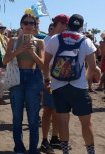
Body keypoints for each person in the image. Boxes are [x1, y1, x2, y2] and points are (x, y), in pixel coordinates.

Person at [43, 14, 100, 154]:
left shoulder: (55, 39)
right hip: (79, 87)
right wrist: (84, 82)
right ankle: (90, 151)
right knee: (86, 122)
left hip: (58, 86)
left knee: (62, 120)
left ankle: (65, 151)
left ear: (67, 25)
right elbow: (92, 67)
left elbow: (45, 62)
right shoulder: (86, 41)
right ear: (81, 27)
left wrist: (47, 79)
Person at [3, 14, 45, 154]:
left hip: (33, 77)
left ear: (35, 25)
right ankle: (19, 148)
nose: (28, 25)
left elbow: (43, 65)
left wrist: (32, 53)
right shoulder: (13, 41)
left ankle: (33, 149)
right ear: (21, 24)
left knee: (33, 117)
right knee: (17, 117)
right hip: (17, 77)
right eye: (26, 22)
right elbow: (5, 60)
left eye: (31, 23)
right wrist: (19, 50)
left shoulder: (39, 42)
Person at [40, 14, 68, 153]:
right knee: (49, 111)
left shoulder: (66, 40)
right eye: (56, 23)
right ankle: (45, 141)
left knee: (58, 111)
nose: (56, 26)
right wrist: (46, 79)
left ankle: (54, 138)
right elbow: (45, 63)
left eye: (58, 23)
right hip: (51, 81)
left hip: (62, 82)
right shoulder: (51, 40)